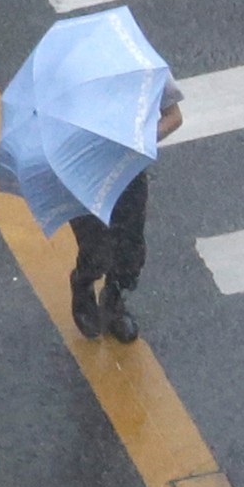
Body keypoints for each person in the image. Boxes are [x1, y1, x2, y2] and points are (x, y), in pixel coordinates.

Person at [68, 79, 183, 342]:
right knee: (95, 247)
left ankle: (114, 300)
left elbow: (174, 116)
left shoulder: (141, 69)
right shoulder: (70, 79)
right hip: (84, 175)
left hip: (127, 173)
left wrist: (141, 141)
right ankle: (83, 282)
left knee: (129, 246)